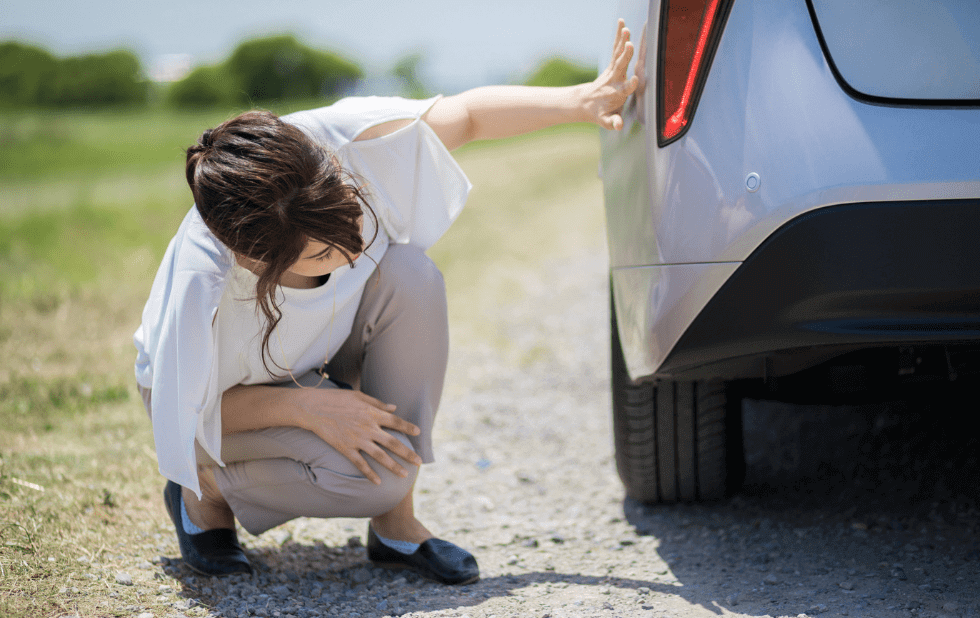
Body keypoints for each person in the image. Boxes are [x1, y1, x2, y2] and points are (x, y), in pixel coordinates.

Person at [134, 21, 638, 583]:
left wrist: (582, 100)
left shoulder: (340, 141)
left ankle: (397, 528)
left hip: (304, 358)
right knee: (376, 476)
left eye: (347, 210)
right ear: (256, 262)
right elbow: (181, 415)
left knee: (410, 273)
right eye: (324, 251)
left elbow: (467, 116)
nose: (352, 248)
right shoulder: (202, 280)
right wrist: (306, 409)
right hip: (212, 407)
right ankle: (202, 495)